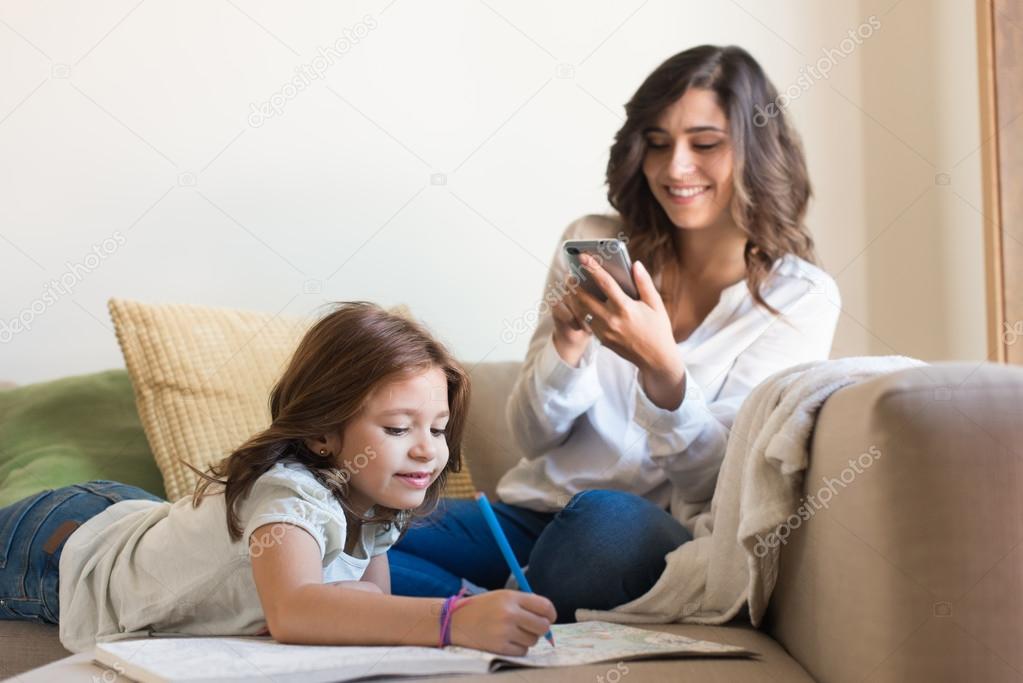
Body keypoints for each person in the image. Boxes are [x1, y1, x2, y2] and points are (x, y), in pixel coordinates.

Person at [390, 45, 841, 621]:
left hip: (638, 529)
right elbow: (532, 439)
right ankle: (497, 609)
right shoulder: (591, 242)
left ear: (757, 150)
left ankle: (474, 606)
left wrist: (664, 373)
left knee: (601, 524)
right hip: (531, 514)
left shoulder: (798, 298)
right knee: (360, 530)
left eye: (705, 144)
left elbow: (717, 484)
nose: (675, 168)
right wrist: (568, 347)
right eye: (657, 143)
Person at [0, 302, 555, 656]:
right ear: (322, 435)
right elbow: (296, 611)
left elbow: (368, 603)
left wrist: (346, 610)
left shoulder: (377, 498)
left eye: (436, 428)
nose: (426, 449)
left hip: (136, 520)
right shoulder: (290, 493)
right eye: (396, 427)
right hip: (62, 545)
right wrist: (451, 619)